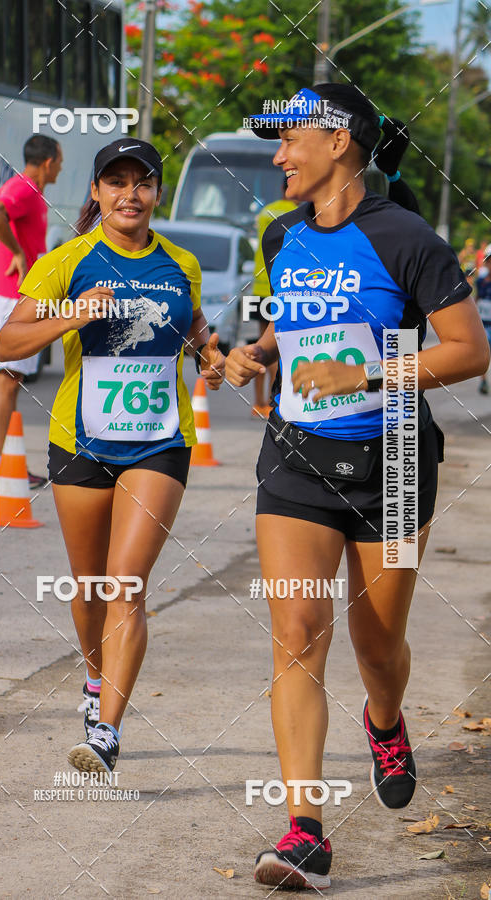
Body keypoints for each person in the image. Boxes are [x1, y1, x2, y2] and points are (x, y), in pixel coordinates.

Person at [226, 83, 490, 890]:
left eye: (289, 141)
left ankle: (385, 721)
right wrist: (259, 353)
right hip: (297, 457)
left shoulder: (409, 238)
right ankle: (303, 830)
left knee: (378, 644)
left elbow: (469, 350)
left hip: (398, 458)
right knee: (299, 631)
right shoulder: (281, 235)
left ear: (338, 142)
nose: (278, 157)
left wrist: (374, 370)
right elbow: (290, 319)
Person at [0, 137, 225, 774]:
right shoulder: (66, 260)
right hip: (81, 441)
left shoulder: (181, 262)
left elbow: (195, 326)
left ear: (156, 193)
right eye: (115, 182)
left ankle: (107, 731)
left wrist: (211, 353)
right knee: (92, 581)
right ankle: (95, 680)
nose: (130, 194)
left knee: (126, 582)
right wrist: (70, 316)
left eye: (142, 182)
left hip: (159, 441)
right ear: (96, 193)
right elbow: (9, 338)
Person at [0, 134, 63, 487]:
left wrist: (1, 250)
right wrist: (15, 253)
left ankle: (1, 463)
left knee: (10, 380)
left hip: (13, 295)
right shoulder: (25, 188)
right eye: (60, 162)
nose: (61, 169)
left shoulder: (22, 188)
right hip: (12, 296)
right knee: (7, 380)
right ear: (49, 162)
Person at [250, 178, 296, 417]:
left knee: (260, 344)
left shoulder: (266, 210)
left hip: (258, 289)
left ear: (280, 188)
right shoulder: (298, 215)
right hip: (281, 290)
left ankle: (257, 403)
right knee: (278, 347)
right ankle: (272, 402)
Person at [475, 266, 491, 393]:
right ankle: (484, 381)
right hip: (483, 323)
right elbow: (477, 299)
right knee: (483, 355)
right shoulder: (481, 281)